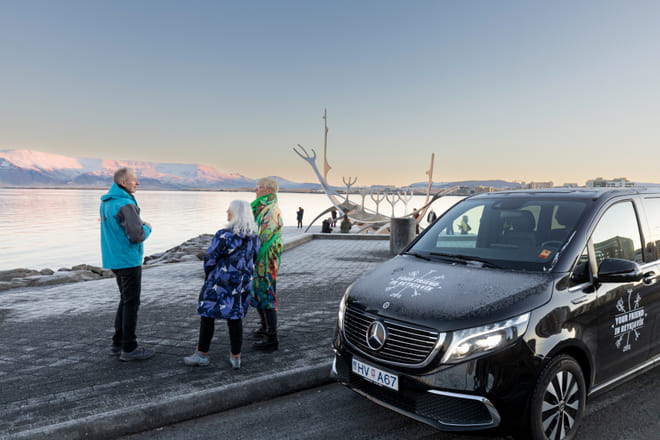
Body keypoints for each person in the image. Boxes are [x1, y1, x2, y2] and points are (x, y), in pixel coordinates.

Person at [184, 200, 260, 368]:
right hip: (242, 284)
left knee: (207, 315)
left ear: (236, 213)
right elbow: (254, 258)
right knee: (235, 317)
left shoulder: (224, 235)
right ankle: (236, 357)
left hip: (220, 282)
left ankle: (202, 355)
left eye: (229, 209)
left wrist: (210, 275)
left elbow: (210, 258)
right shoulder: (254, 238)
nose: (227, 211)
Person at [100, 168, 154, 361]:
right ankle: (129, 348)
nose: (137, 183)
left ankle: (117, 344)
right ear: (123, 182)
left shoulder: (107, 202)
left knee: (125, 300)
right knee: (131, 303)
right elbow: (137, 236)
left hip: (114, 259)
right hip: (128, 260)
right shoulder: (125, 204)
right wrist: (147, 227)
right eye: (134, 180)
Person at [251, 177, 283, 351]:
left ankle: (272, 338)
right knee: (258, 292)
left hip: (267, 258)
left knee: (266, 293)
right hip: (262, 258)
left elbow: (263, 236)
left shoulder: (271, 210)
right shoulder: (262, 208)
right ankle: (264, 327)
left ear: (269, 190)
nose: (255, 190)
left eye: (259, 187)